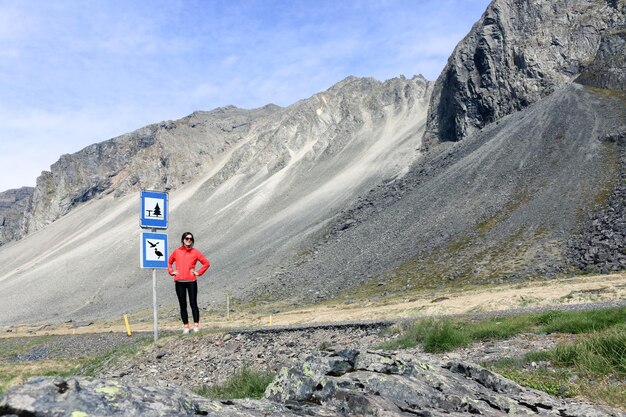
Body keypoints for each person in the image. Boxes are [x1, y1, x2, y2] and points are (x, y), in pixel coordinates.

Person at [168, 232, 210, 334]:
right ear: (183, 240)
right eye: (187, 238)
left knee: (193, 303)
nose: (189, 240)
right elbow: (169, 261)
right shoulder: (177, 251)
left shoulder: (195, 252)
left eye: (191, 239)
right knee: (183, 305)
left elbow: (206, 263)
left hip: (191, 282)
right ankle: (186, 327)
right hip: (179, 282)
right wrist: (171, 271)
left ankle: (196, 326)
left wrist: (198, 272)